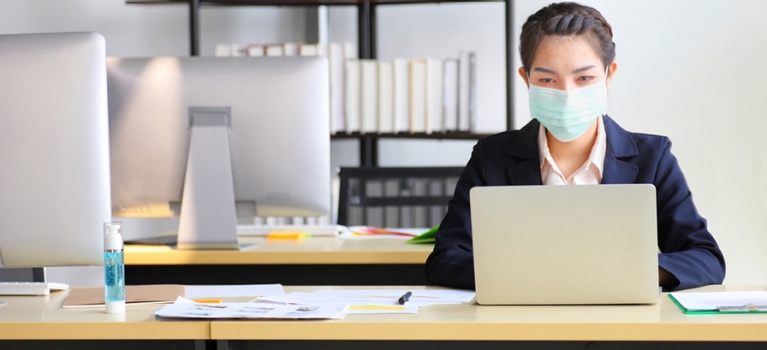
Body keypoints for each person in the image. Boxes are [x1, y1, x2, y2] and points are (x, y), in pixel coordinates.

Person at [424, 2, 725, 291]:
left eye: (584, 77)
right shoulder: (492, 157)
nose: (567, 93)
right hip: (521, 327)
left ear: (609, 76)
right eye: (548, 79)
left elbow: (705, 258)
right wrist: (539, 275)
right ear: (526, 79)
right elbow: (446, 259)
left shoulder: (653, 157)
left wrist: (628, 272)